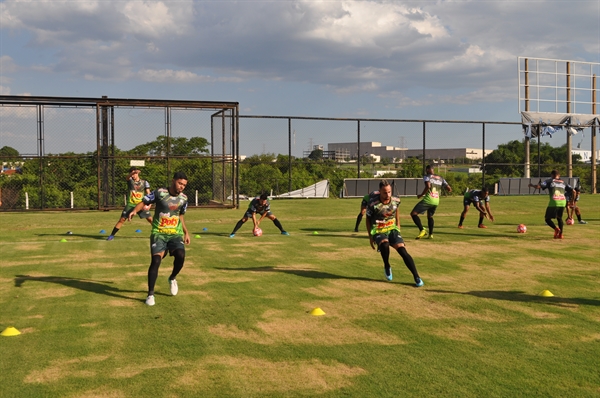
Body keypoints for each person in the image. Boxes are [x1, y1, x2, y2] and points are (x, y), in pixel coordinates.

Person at [128, 171, 190, 306]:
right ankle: (150, 294)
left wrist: (186, 232)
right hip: (159, 233)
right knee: (156, 260)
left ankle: (172, 278)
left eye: (184, 185)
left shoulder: (184, 198)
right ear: (173, 181)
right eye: (180, 183)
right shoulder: (159, 193)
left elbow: (181, 216)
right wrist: (134, 211)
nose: (181, 187)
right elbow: (144, 201)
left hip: (175, 233)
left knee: (181, 255)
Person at [366, 180, 423, 286]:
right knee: (385, 244)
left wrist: (398, 224)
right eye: (384, 192)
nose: (387, 195)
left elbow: (396, 209)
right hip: (378, 229)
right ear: (379, 192)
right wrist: (370, 237)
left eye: (389, 192)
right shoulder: (372, 204)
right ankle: (387, 265)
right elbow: (368, 219)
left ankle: (416, 277)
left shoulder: (396, 200)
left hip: (392, 228)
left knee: (402, 250)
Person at [107, 167, 152, 241]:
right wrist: (132, 173)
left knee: (150, 219)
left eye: (134, 174)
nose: (132, 176)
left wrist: (148, 205)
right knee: (122, 220)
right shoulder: (130, 181)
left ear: (137, 173)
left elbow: (149, 194)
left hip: (141, 204)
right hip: (130, 204)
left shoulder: (144, 182)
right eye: (132, 174)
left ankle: (159, 234)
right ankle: (111, 235)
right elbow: (127, 177)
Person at [528, 169, 573, 239]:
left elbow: (538, 186)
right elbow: (573, 190)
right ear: (559, 175)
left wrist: (532, 185)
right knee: (559, 218)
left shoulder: (549, 181)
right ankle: (561, 235)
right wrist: (571, 201)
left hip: (554, 202)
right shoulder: (564, 182)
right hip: (563, 202)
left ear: (552, 175)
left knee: (547, 219)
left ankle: (556, 229)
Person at [410, 165, 452, 239]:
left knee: (413, 213)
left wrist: (421, 195)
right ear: (433, 169)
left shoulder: (427, 176)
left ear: (428, 169)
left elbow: (428, 186)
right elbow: (449, 188)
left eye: (426, 170)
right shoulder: (441, 178)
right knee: (430, 216)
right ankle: (431, 234)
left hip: (429, 199)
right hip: (436, 200)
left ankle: (422, 230)